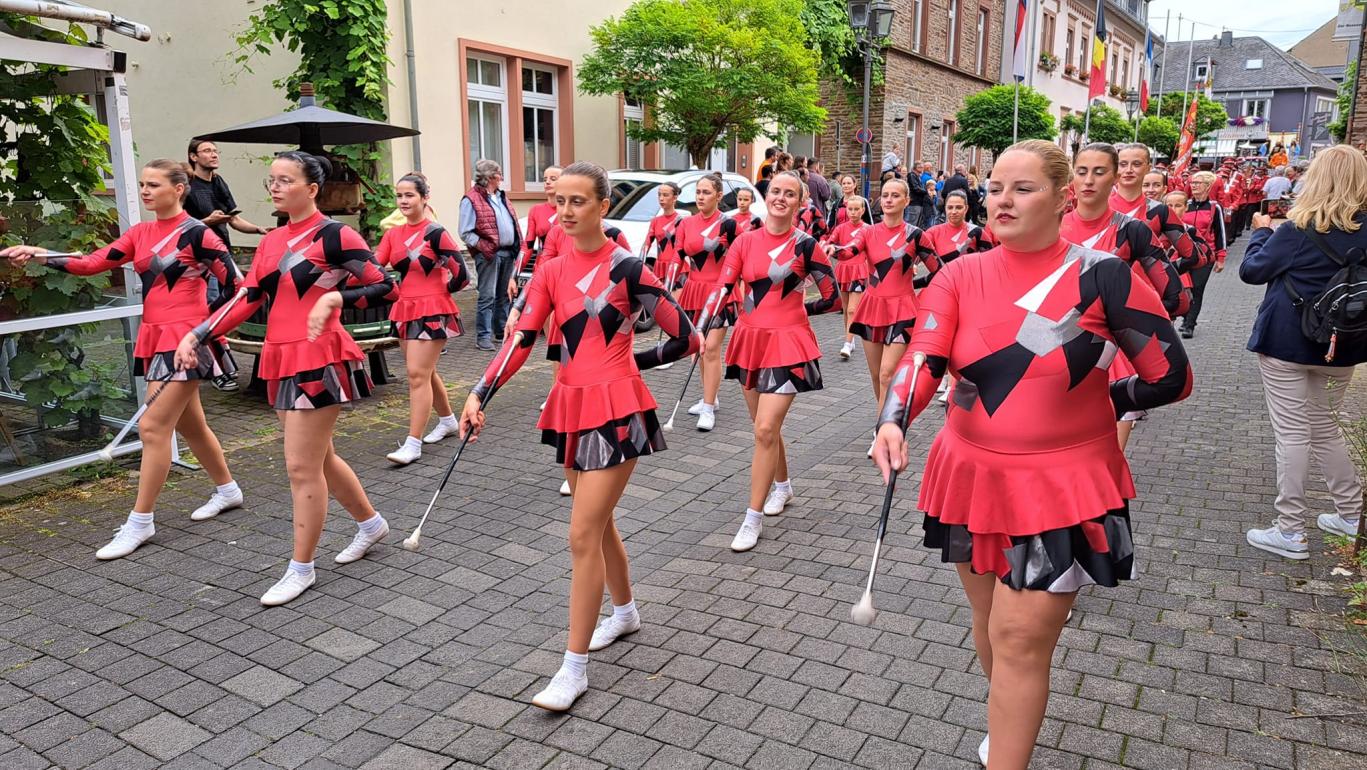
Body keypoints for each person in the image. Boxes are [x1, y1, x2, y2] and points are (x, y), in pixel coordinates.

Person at [872, 139, 1191, 769]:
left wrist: (1104, 398)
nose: (1003, 200)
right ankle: (1008, 715)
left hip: (1062, 484)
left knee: (1018, 639)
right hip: (970, 475)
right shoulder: (959, 273)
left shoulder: (1103, 276)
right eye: (995, 187)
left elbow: (1171, 377)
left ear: (1062, 197)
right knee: (991, 623)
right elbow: (923, 357)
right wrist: (892, 420)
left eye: (1023, 188)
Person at [459, 161, 699, 711]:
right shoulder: (549, 270)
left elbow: (686, 337)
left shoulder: (629, 268)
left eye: (578, 202)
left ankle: (573, 669)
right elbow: (520, 338)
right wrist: (479, 392)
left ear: (602, 205)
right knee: (600, 524)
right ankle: (625, 612)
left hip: (617, 405)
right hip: (569, 403)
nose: (565, 212)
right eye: (559, 201)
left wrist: (632, 361)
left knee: (581, 533)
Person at [173, 151, 395, 606]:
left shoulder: (337, 235)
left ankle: (301, 568)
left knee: (300, 465)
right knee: (320, 458)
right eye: (270, 180)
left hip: (320, 355)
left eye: (285, 180)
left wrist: (336, 300)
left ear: (311, 189)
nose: (274, 187)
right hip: (280, 355)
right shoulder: (273, 240)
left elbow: (384, 286)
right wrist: (199, 334)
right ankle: (371, 524)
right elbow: (249, 297)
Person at [2, 160, 245, 559]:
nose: (145, 191)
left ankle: (141, 522)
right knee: (191, 424)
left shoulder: (200, 235)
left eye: (154, 185)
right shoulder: (140, 233)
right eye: (142, 185)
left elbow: (238, 289)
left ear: (179, 189)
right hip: (157, 334)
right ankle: (228, 490)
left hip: (183, 340)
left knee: (152, 428)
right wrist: (39, 253)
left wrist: (204, 332)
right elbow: (92, 263)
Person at [1239, 144, 1366, 560]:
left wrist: (1260, 231)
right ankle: (1351, 516)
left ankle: (1290, 529)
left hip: (1287, 342)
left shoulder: (1296, 229)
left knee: (1292, 434)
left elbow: (1252, 271)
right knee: (1328, 428)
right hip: (1342, 344)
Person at [717, 170, 840, 552]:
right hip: (750, 340)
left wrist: (795, 313)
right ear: (764, 196)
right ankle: (783, 486)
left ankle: (750, 519)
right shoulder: (744, 241)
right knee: (763, 428)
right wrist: (714, 317)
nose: (781, 198)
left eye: (790, 193)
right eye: (775, 191)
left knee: (766, 429)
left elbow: (833, 296)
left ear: (801, 202)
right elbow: (725, 286)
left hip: (788, 343)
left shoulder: (806, 246)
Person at [1062, 143, 1186, 451]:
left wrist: (1134, 322)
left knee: (1106, 455)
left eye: (1099, 172)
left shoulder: (1133, 230)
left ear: (1115, 177)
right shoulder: (1050, 224)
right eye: (1082, 172)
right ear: (1072, 178)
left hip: (1108, 349)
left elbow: (1177, 298)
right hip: (1049, 345)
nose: (1089, 180)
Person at [835, 178, 937, 456]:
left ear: (906, 201)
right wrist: (832, 250)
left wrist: (916, 288)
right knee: (876, 375)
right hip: (873, 307)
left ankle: (882, 430)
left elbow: (938, 269)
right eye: (886, 195)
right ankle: (890, 417)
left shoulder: (916, 235)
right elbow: (850, 251)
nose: (889, 200)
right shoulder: (868, 233)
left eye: (895, 195)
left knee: (887, 373)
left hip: (903, 309)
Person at [375, 173, 471, 466]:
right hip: (405, 308)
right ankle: (448, 421)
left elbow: (462, 275)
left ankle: (413, 444)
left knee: (417, 375)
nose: (403, 201)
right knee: (424, 373)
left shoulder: (436, 232)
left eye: (409, 195)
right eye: (399, 196)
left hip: (432, 309)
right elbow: (375, 266)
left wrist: (441, 294)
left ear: (424, 198)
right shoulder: (393, 235)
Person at [185, 138, 272, 392]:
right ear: (193, 157)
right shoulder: (188, 186)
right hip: (198, 260)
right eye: (207, 151)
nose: (214, 155)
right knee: (211, 313)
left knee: (228, 303)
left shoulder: (219, 182)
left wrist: (257, 229)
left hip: (221, 254)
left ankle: (209, 352)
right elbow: (181, 227)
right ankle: (217, 368)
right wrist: (207, 221)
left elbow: (233, 220)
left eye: (215, 150)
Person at [675, 173, 740, 431]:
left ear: (719, 196)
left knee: (711, 348)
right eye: (698, 192)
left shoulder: (728, 224)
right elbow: (677, 258)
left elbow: (738, 258)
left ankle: (709, 407)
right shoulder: (685, 224)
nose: (700, 196)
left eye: (706, 192)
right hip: (694, 290)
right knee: (698, 349)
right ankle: (708, 396)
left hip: (719, 291)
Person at [459, 159, 522, 351]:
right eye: (500, 173)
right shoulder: (471, 199)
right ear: (491, 176)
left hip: (507, 252)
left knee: (504, 295)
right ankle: (483, 336)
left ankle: (500, 330)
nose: (502, 177)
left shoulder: (501, 196)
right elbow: (465, 232)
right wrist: (484, 247)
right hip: (489, 254)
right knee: (487, 295)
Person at [1179, 171, 1227, 338]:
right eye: (1192, 182)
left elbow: (1220, 232)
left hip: (1205, 255)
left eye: (1198, 183)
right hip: (1184, 254)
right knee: (1185, 288)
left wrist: (1221, 257)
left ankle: (1189, 324)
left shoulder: (1215, 207)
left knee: (1197, 289)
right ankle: (1186, 317)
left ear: (1208, 186)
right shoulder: (1184, 204)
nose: (1194, 185)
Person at [824, 195, 870, 361]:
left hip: (859, 271)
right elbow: (831, 241)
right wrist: (829, 246)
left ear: (863, 210)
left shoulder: (867, 229)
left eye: (857, 209)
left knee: (852, 309)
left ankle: (847, 343)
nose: (853, 212)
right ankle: (850, 338)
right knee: (845, 309)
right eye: (850, 209)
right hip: (843, 270)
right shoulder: (841, 228)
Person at [515, 165, 562, 285]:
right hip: (541, 272)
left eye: (553, 179)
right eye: (545, 179)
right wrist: (513, 276)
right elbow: (528, 246)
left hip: (564, 272)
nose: (547, 182)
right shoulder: (536, 210)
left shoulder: (571, 210)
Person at [645, 182, 687, 287]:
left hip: (677, 268)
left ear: (675, 197)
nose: (661, 198)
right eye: (659, 194)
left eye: (665, 195)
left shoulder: (681, 221)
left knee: (674, 302)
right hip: (659, 268)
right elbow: (646, 245)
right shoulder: (655, 221)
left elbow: (684, 248)